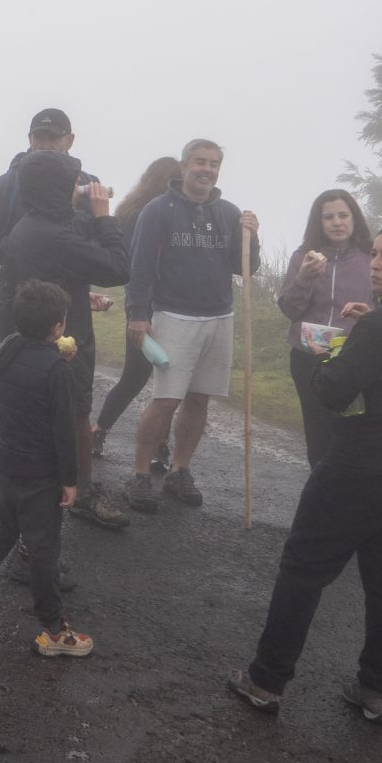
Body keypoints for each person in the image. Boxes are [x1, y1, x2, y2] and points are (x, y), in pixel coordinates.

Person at [227, 222, 382, 723]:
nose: (375, 264)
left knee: (302, 571)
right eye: (375, 253)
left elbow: (333, 392)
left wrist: (330, 354)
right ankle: (377, 690)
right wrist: (371, 329)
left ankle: (266, 681)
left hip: (358, 468)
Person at [0, 279, 94, 658]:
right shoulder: (58, 371)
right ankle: (54, 631)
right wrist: (70, 480)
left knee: (1, 527)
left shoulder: (7, 351)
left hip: (8, 462)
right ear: (57, 328)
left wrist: (54, 356)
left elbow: (27, 379)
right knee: (43, 549)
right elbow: (64, 430)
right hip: (41, 476)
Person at [120, 139, 259, 513]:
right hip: (174, 315)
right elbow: (140, 267)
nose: (207, 169)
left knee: (199, 399)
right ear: (184, 166)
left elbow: (243, 266)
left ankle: (180, 470)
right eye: (200, 161)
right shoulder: (157, 210)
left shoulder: (229, 212)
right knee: (166, 400)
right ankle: (139, 474)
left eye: (214, 164)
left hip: (219, 315)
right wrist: (138, 315)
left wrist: (252, 236)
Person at [1, 149, 132, 530]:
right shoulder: (56, 234)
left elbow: (41, 277)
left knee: (45, 418)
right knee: (73, 417)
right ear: (56, 189)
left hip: (34, 336)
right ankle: (76, 496)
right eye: (74, 183)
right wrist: (104, 216)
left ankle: (33, 505)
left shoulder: (28, 224)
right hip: (60, 345)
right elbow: (119, 268)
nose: (80, 188)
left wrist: (77, 294)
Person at [275, 189, 374, 468]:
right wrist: (304, 279)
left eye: (343, 215)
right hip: (308, 357)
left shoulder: (371, 257)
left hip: (354, 357)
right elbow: (290, 310)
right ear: (318, 223)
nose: (337, 222)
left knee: (355, 431)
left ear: (354, 219)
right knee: (318, 433)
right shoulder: (302, 257)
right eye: (328, 217)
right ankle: (320, 488)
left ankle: (351, 491)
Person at [93, 155, 181, 465]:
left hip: (153, 303)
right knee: (146, 376)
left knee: (144, 376)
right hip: (149, 303)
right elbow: (135, 263)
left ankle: (106, 433)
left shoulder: (131, 211)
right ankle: (107, 432)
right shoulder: (144, 215)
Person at [0, 108, 80, 340]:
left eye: (54, 137)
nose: (46, 145)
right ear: (29, 139)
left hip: (71, 309)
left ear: (70, 140)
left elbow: (95, 247)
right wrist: (27, 245)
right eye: (39, 137)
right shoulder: (4, 186)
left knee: (68, 364)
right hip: (17, 309)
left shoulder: (86, 186)